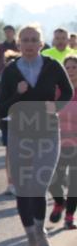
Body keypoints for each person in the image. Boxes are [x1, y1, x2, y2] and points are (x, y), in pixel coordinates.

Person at [0, 25, 74, 246]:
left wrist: (56, 107)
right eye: (25, 40)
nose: (29, 44)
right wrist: (18, 94)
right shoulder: (10, 72)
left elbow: (68, 93)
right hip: (20, 134)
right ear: (18, 45)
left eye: (34, 40)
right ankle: (30, 238)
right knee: (23, 188)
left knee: (39, 185)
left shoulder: (52, 66)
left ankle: (41, 232)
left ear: (41, 44)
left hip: (48, 132)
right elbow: (1, 108)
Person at [48, 55, 77, 229]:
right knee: (52, 177)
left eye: (74, 67)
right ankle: (59, 202)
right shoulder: (57, 90)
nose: (71, 71)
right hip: (56, 142)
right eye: (68, 68)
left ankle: (69, 217)